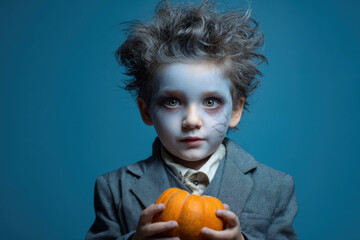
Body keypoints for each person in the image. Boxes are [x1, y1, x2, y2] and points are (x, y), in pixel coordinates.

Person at [86, 0, 298, 239]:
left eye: (210, 102)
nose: (192, 121)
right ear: (146, 111)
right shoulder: (114, 188)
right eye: (172, 102)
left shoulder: (275, 187)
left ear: (236, 110)